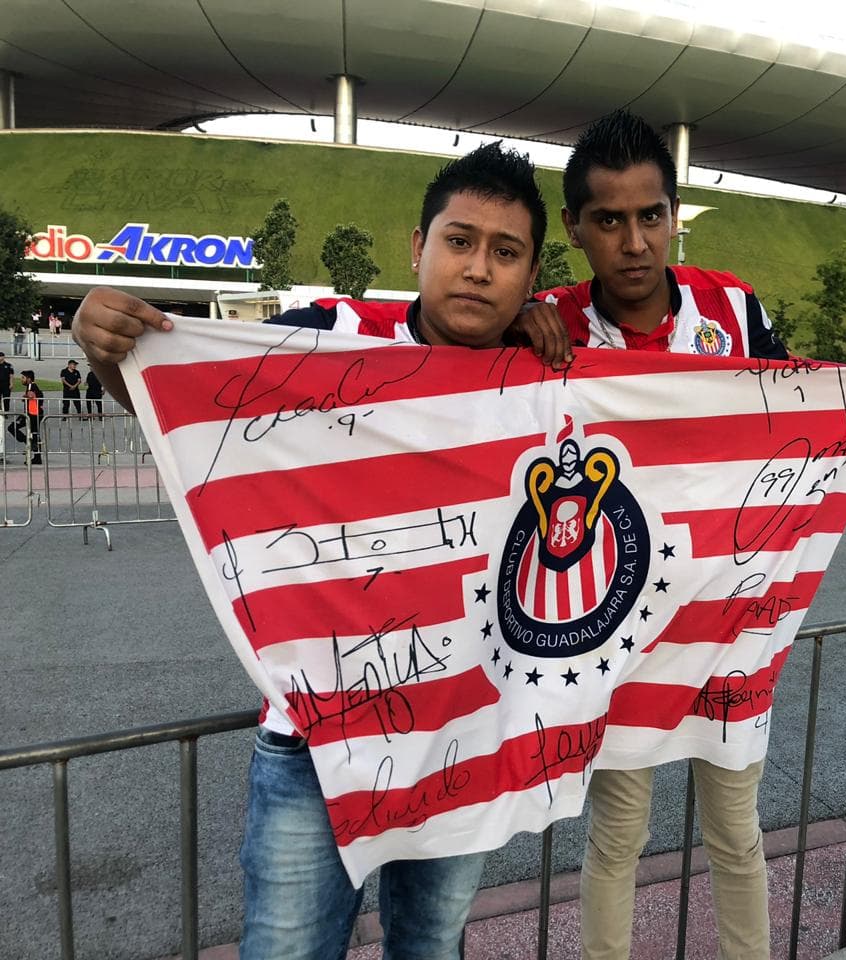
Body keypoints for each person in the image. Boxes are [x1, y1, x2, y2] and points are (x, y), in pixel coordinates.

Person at [73, 141, 555, 960]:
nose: (478, 269)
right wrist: (107, 348)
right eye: (460, 240)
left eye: (505, 253)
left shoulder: (545, 373)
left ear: (531, 274)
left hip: (467, 738)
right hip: (315, 745)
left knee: (432, 946)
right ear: (418, 245)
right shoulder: (331, 333)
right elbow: (185, 404)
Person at [530, 109, 846, 960]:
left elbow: (793, 406)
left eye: (651, 216)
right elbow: (430, 368)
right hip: (619, 632)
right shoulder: (547, 324)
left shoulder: (732, 309)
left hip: (729, 620)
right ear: (574, 228)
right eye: (608, 220)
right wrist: (511, 340)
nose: (634, 242)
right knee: (616, 842)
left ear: (676, 215)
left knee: (737, 832)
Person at [5, 370, 43, 464]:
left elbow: (31, 395)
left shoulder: (31, 385)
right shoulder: (32, 386)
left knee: (12, 427)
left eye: (23, 378)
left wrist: (25, 396)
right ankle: (36, 455)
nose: (21, 380)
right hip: (32, 413)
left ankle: (28, 442)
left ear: (28, 379)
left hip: (33, 414)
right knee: (34, 434)